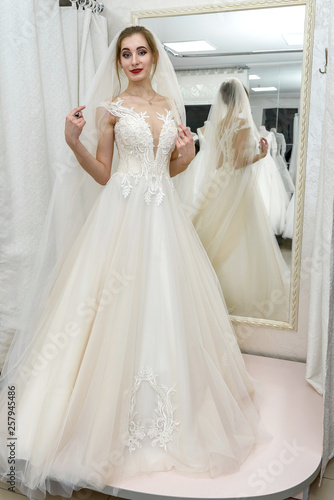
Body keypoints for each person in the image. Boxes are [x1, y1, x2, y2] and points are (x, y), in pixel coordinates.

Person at [0, 28, 266, 500]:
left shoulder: (170, 107)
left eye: (141, 51)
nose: (133, 59)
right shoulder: (111, 110)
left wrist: (185, 155)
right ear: (119, 61)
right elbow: (104, 173)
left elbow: (172, 170)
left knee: (163, 308)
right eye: (126, 53)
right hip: (119, 217)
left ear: (155, 56)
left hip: (162, 219)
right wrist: (73, 142)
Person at [191, 78, 290, 320]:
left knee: (217, 233)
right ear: (241, 99)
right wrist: (261, 155)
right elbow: (236, 163)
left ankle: (209, 291)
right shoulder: (243, 124)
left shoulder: (220, 123)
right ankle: (235, 294)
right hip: (237, 188)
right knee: (243, 236)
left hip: (218, 185)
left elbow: (218, 163)